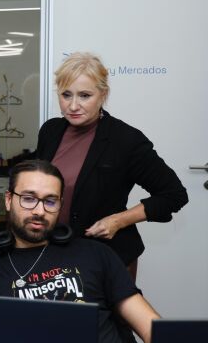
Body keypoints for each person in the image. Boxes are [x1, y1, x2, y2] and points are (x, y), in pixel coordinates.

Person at [0, 160, 160, 343]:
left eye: (50, 201)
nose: (39, 211)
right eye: (29, 198)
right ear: (9, 200)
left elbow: (150, 326)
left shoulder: (96, 254)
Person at [35, 52, 187, 279]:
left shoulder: (126, 140)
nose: (73, 105)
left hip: (107, 257)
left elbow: (174, 195)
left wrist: (118, 220)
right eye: (66, 95)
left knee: (105, 316)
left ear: (103, 94)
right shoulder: (51, 130)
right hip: (52, 251)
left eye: (85, 95)